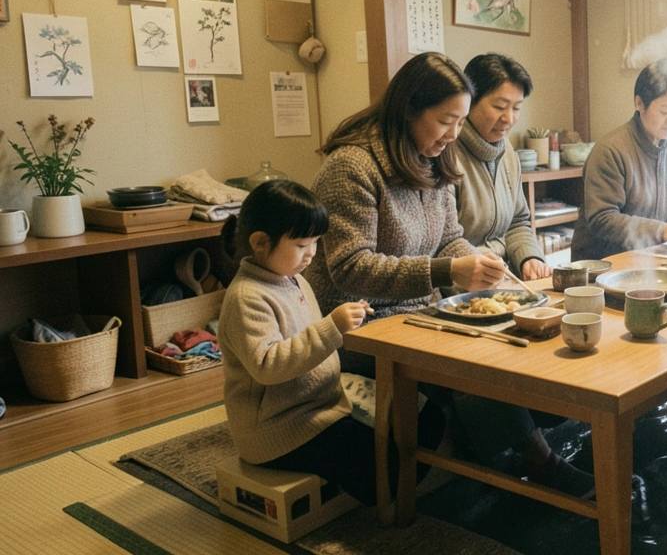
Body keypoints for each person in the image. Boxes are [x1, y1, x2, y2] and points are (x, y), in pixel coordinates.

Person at [304, 52, 593, 497]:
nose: (454, 135)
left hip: (417, 310)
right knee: (475, 362)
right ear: (409, 109)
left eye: (459, 122)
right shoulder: (352, 167)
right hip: (360, 326)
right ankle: (540, 460)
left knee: (507, 335)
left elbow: (450, 237)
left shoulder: (432, 159)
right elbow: (349, 269)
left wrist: (477, 263)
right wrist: (449, 269)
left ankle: (508, 448)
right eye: (446, 121)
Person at [217, 180, 445, 506]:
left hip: (323, 405)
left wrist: (345, 325)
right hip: (279, 428)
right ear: (260, 243)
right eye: (300, 245)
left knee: (427, 415)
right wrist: (332, 327)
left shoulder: (292, 278)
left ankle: (395, 481)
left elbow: (313, 345)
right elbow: (269, 366)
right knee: (381, 469)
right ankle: (391, 494)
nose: (311, 254)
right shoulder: (246, 297)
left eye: (315, 242)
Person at [570, 58, 667, 260]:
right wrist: (664, 231)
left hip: (652, 258)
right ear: (639, 103)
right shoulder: (610, 150)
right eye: (665, 112)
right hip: (605, 264)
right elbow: (602, 219)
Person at [457, 54, 551, 281]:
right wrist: (488, 272)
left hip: (504, 278)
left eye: (517, 108)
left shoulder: (508, 151)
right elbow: (444, 240)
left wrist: (529, 258)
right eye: (499, 106)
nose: (508, 118)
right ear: (470, 101)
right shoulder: (446, 152)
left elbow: (518, 221)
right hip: (464, 284)